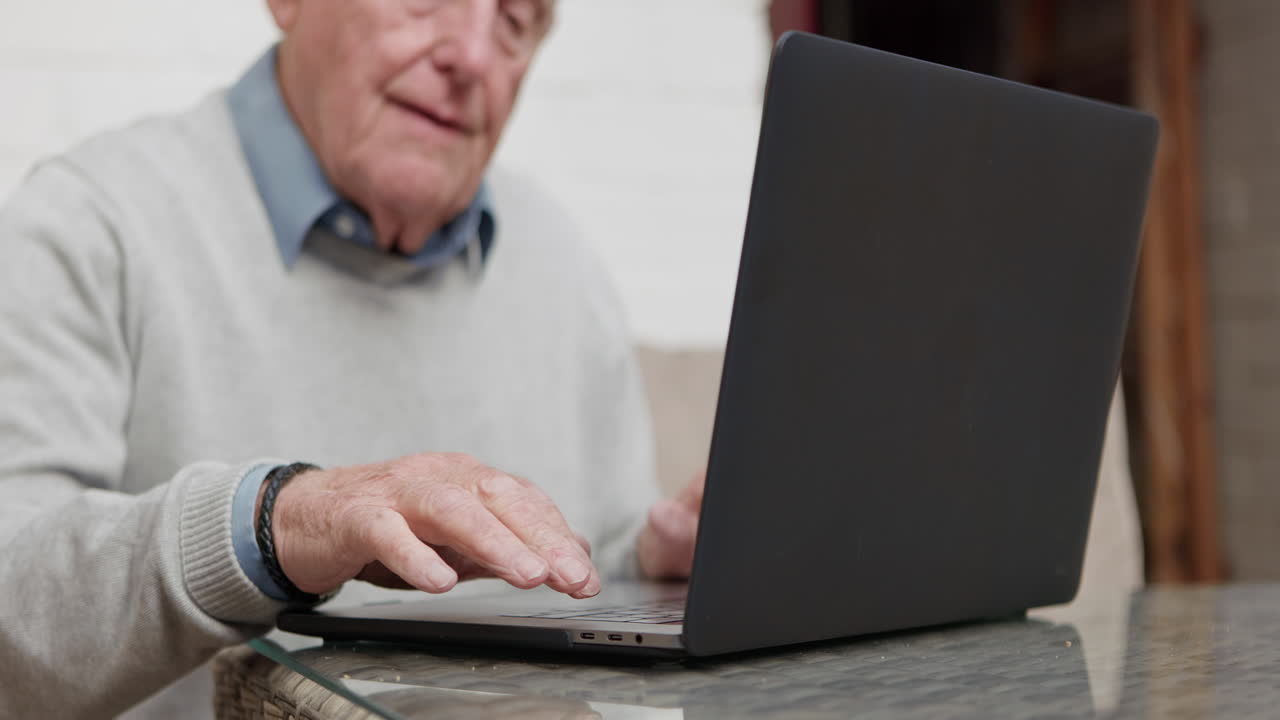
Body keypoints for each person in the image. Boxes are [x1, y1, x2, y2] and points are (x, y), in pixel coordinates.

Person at [0, 1, 704, 717]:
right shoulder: (89, 224)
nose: (473, 55)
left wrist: (655, 570)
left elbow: (605, 557)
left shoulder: (563, 263)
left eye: (515, 18)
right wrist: (280, 525)